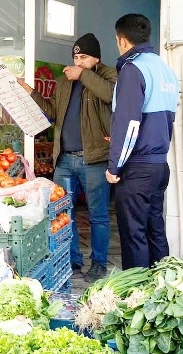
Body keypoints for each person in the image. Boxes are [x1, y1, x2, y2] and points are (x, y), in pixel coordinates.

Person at [18, 33, 117, 283]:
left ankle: (99, 263)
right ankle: (72, 259)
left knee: (98, 216)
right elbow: (52, 112)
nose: (78, 61)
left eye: (84, 57)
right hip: (64, 160)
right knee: (64, 213)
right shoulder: (64, 82)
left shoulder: (108, 75)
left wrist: (83, 75)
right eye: (76, 57)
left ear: (96, 58)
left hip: (94, 159)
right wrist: (32, 93)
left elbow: (110, 95)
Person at [106, 14, 179, 269]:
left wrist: (114, 166)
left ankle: (136, 296)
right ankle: (162, 289)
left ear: (122, 40)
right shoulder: (165, 70)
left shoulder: (133, 69)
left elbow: (130, 124)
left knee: (134, 235)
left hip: (137, 168)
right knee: (154, 230)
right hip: (159, 166)